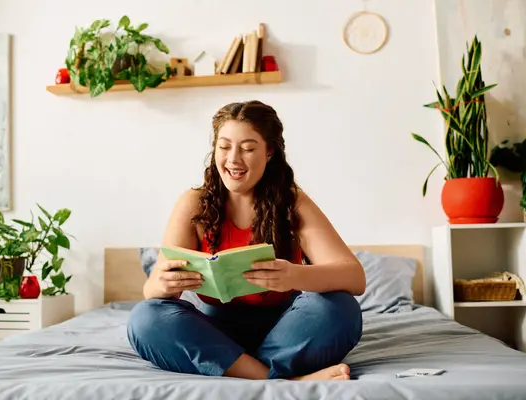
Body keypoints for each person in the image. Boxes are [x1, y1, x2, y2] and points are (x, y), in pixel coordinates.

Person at [127, 100, 366, 381]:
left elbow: (355, 278)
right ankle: (281, 380)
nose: (233, 160)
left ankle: (245, 373)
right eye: (224, 147)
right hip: (215, 334)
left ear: (270, 152)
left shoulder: (292, 203)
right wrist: (163, 283)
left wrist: (293, 275)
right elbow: (152, 291)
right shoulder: (194, 204)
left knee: (341, 308)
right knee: (145, 318)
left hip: (288, 332)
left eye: (249, 148)